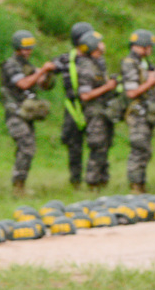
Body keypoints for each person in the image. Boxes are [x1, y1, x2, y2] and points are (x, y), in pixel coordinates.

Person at [0, 30, 57, 196]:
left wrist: (48, 73)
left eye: (30, 48)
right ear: (17, 47)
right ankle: (18, 187)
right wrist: (41, 71)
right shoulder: (11, 64)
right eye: (25, 48)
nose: (28, 51)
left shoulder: (28, 65)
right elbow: (23, 84)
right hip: (15, 113)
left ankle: (20, 184)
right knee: (26, 146)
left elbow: (42, 85)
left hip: (27, 114)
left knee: (27, 148)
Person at [121, 29, 155, 193]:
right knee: (139, 149)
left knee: (145, 150)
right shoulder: (130, 63)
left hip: (146, 114)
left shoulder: (142, 63)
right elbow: (131, 92)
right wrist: (151, 82)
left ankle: (141, 185)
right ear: (143, 46)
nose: (151, 49)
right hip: (138, 114)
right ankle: (135, 187)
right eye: (150, 45)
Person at [53, 21, 95, 189]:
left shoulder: (94, 58)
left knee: (96, 144)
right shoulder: (66, 58)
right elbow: (49, 71)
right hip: (74, 108)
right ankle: (75, 181)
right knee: (74, 146)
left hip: (92, 106)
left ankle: (94, 180)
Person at [74, 30, 116, 192]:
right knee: (97, 146)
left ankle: (102, 181)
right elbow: (85, 95)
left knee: (104, 146)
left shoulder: (98, 63)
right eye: (100, 43)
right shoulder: (86, 67)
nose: (103, 45)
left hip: (103, 111)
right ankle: (92, 183)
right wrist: (108, 87)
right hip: (94, 112)